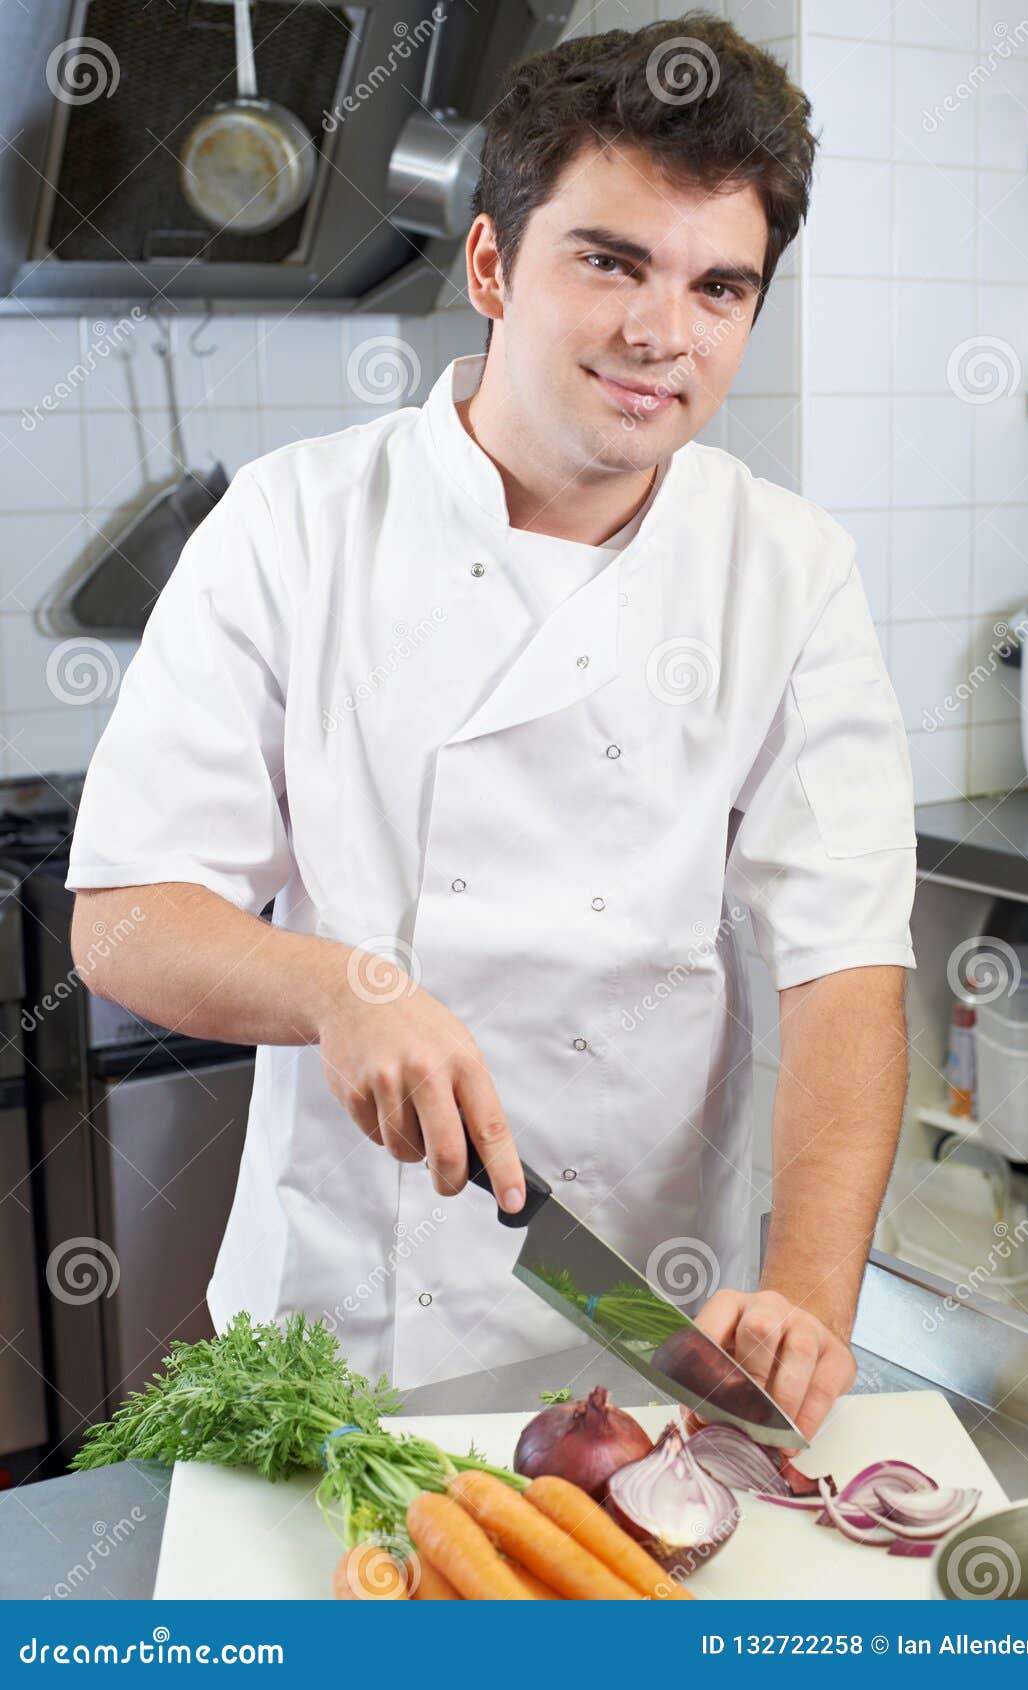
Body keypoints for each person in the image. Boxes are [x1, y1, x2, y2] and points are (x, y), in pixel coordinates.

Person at [66, 15, 917, 1444]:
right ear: (488, 268)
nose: (663, 333)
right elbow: (126, 919)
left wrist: (806, 1299)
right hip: (336, 1332)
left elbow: (844, 970)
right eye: (610, 261)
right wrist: (339, 987)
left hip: (643, 1329)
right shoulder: (292, 525)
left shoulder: (789, 570)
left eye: (720, 287)